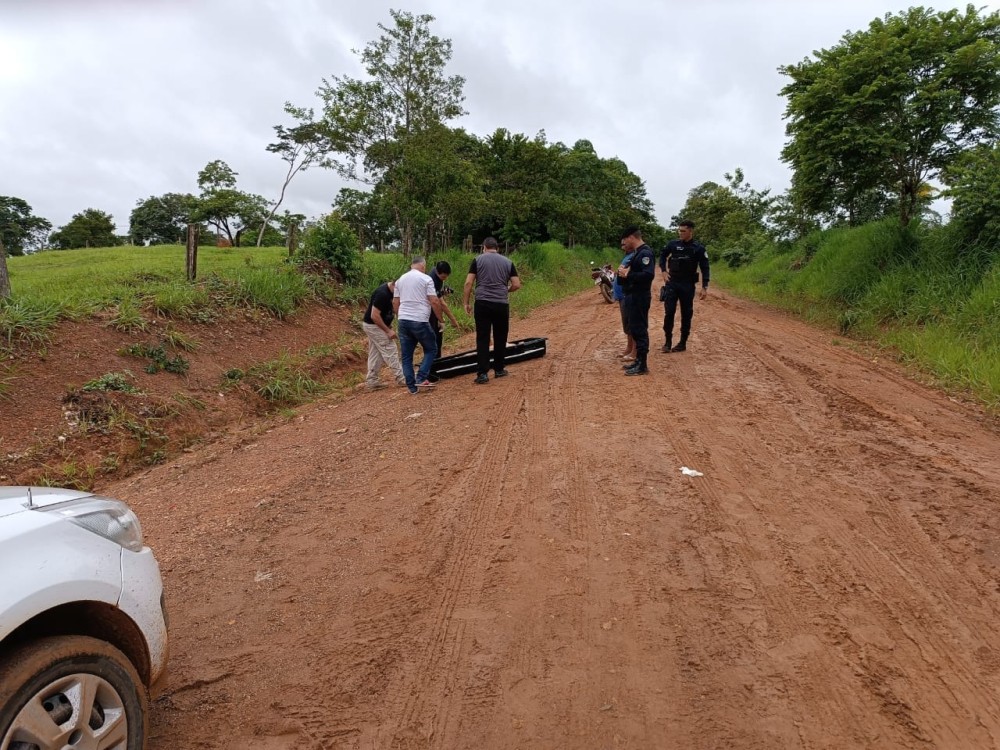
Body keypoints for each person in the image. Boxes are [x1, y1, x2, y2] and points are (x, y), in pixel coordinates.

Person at [463, 237, 522, 384]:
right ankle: (499, 369)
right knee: (500, 336)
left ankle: (482, 373)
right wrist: (505, 290)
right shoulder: (507, 262)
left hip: (482, 303)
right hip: (501, 304)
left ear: (484, 247)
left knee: (483, 337)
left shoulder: (477, 260)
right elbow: (516, 284)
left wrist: (466, 302)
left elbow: (468, 282)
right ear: (497, 248)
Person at [392, 256, 443, 395]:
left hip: (403, 321)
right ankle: (420, 377)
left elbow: (395, 302)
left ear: (412, 265)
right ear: (423, 266)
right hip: (419, 320)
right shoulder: (426, 279)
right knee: (431, 348)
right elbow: (434, 301)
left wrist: (400, 316)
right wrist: (440, 319)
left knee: (406, 356)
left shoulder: (400, 280)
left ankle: (412, 387)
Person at [658, 220, 710, 353]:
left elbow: (705, 267)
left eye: (683, 231)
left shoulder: (698, 248)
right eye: (679, 230)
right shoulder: (673, 244)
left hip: (687, 284)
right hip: (672, 282)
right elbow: (662, 256)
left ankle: (682, 343)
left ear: (690, 231)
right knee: (669, 312)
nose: (680, 233)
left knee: (686, 314)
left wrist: (704, 287)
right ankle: (667, 342)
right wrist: (663, 271)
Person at [617, 226, 656, 375]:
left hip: (640, 296)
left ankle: (642, 365)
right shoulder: (636, 253)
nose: (624, 243)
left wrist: (628, 275)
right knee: (634, 328)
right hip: (632, 295)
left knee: (640, 330)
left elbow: (648, 275)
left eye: (625, 240)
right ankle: (638, 361)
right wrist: (623, 273)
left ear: (631, 237)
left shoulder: (645, 253)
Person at [361, 279, 406, 391]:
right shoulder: (382, 294)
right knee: (390, 349)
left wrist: (388, 326)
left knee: (376, 353)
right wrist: (387, 331)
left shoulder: (391, 292)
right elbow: (374, 315)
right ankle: (401, 378)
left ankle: (372, 381)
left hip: (374, 325)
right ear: (395, 286)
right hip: (373, 326)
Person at [428, 260, 461, 362]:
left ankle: (438, 359)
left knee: (438, 334)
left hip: (434, 307)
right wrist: (453, 320)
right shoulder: (432, 280)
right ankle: (433, 363)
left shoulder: (437, 273)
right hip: (428, 309)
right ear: (437, 272)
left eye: (446, 277)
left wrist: (442, 292)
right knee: (433, 336)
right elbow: (441, 303)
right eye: (443, 277)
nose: (445, 279)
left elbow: (438, 295)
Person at [612, 237, 636, 361]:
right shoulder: (627, 256)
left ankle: (634, 351)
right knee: (626, 325)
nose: (622, 246)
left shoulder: (634, 256)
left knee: (632, 324)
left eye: (624, 243)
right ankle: (629, 347)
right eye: (621, 244)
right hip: (622, 296)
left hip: (628, 295)